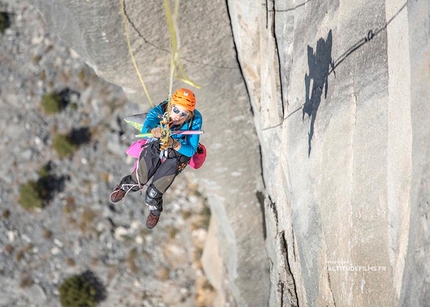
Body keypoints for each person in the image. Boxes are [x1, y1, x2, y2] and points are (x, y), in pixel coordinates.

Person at [110, 88, 202, 229]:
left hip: (178, 152)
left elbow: (190, 150)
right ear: (171, 105)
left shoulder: (195, 120)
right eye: (176, 110)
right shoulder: (158, 112)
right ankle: (124, 186)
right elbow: (146, 129)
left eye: (183, 114)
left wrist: (175, 144)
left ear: (189, 115)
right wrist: (152, 132)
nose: (178, 116)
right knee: (138, 180)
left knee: (153, 194)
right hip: (157, 143)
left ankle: (155, 210)